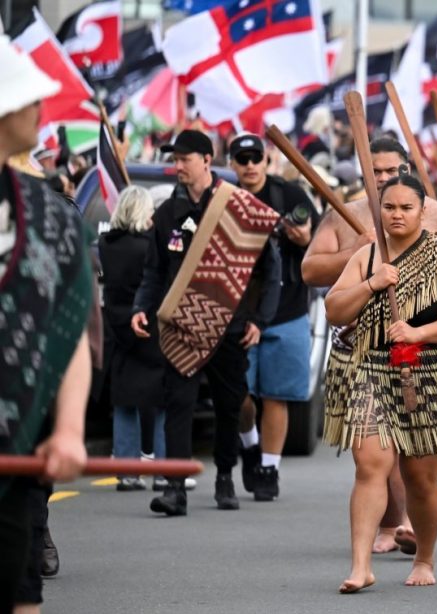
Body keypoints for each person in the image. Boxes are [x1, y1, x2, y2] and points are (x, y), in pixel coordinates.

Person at [308, 137, 437, 554]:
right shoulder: (362, 247)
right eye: (390, 207)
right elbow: (329, 301)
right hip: (369, 369)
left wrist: (419, 333)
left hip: (431, 371)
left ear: (422, 208)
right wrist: (371, 280)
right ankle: (360, 562)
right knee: (370, 466)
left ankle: (425, 556)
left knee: (420, 478)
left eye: (406, 207)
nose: (397, 214)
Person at [131, 129, 281, 516]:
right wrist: (140, 307)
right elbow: (154, 270)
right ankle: (175, 489)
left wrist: (260, 320)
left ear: (205, 159)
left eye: (183, 159)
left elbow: (270, 268)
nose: (177, 166)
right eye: (174, 159)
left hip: (230, 327)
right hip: (181, 325)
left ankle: (225, 478)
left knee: (229, 406)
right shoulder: (167, 214)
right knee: (178, 403)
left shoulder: (240, 208)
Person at [0, 37, 93, 613]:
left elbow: (68, 333)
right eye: (29, 99)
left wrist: (69, 430)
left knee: (19, 593)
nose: (41, 110)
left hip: (18, 448)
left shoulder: (51, 215)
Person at [228, 134, 319, 502]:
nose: (250, 165)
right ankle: (250, 446)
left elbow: (321, 250)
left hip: (287, 310)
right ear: (232, 163)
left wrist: (303, 238)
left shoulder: (291, 197)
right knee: (239, 395)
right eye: (242, 158)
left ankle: (269, 468)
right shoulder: (226, 200)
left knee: (277, 396)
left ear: (266, 161)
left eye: (256, 158)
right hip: (239, 313)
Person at [99, 187, 169, 491]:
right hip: (149, 326)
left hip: (117, 328)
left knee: (124, 402)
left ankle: (126, 470)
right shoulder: (149, 248)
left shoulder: (105, 244)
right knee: (162, 400)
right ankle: (165, 470)